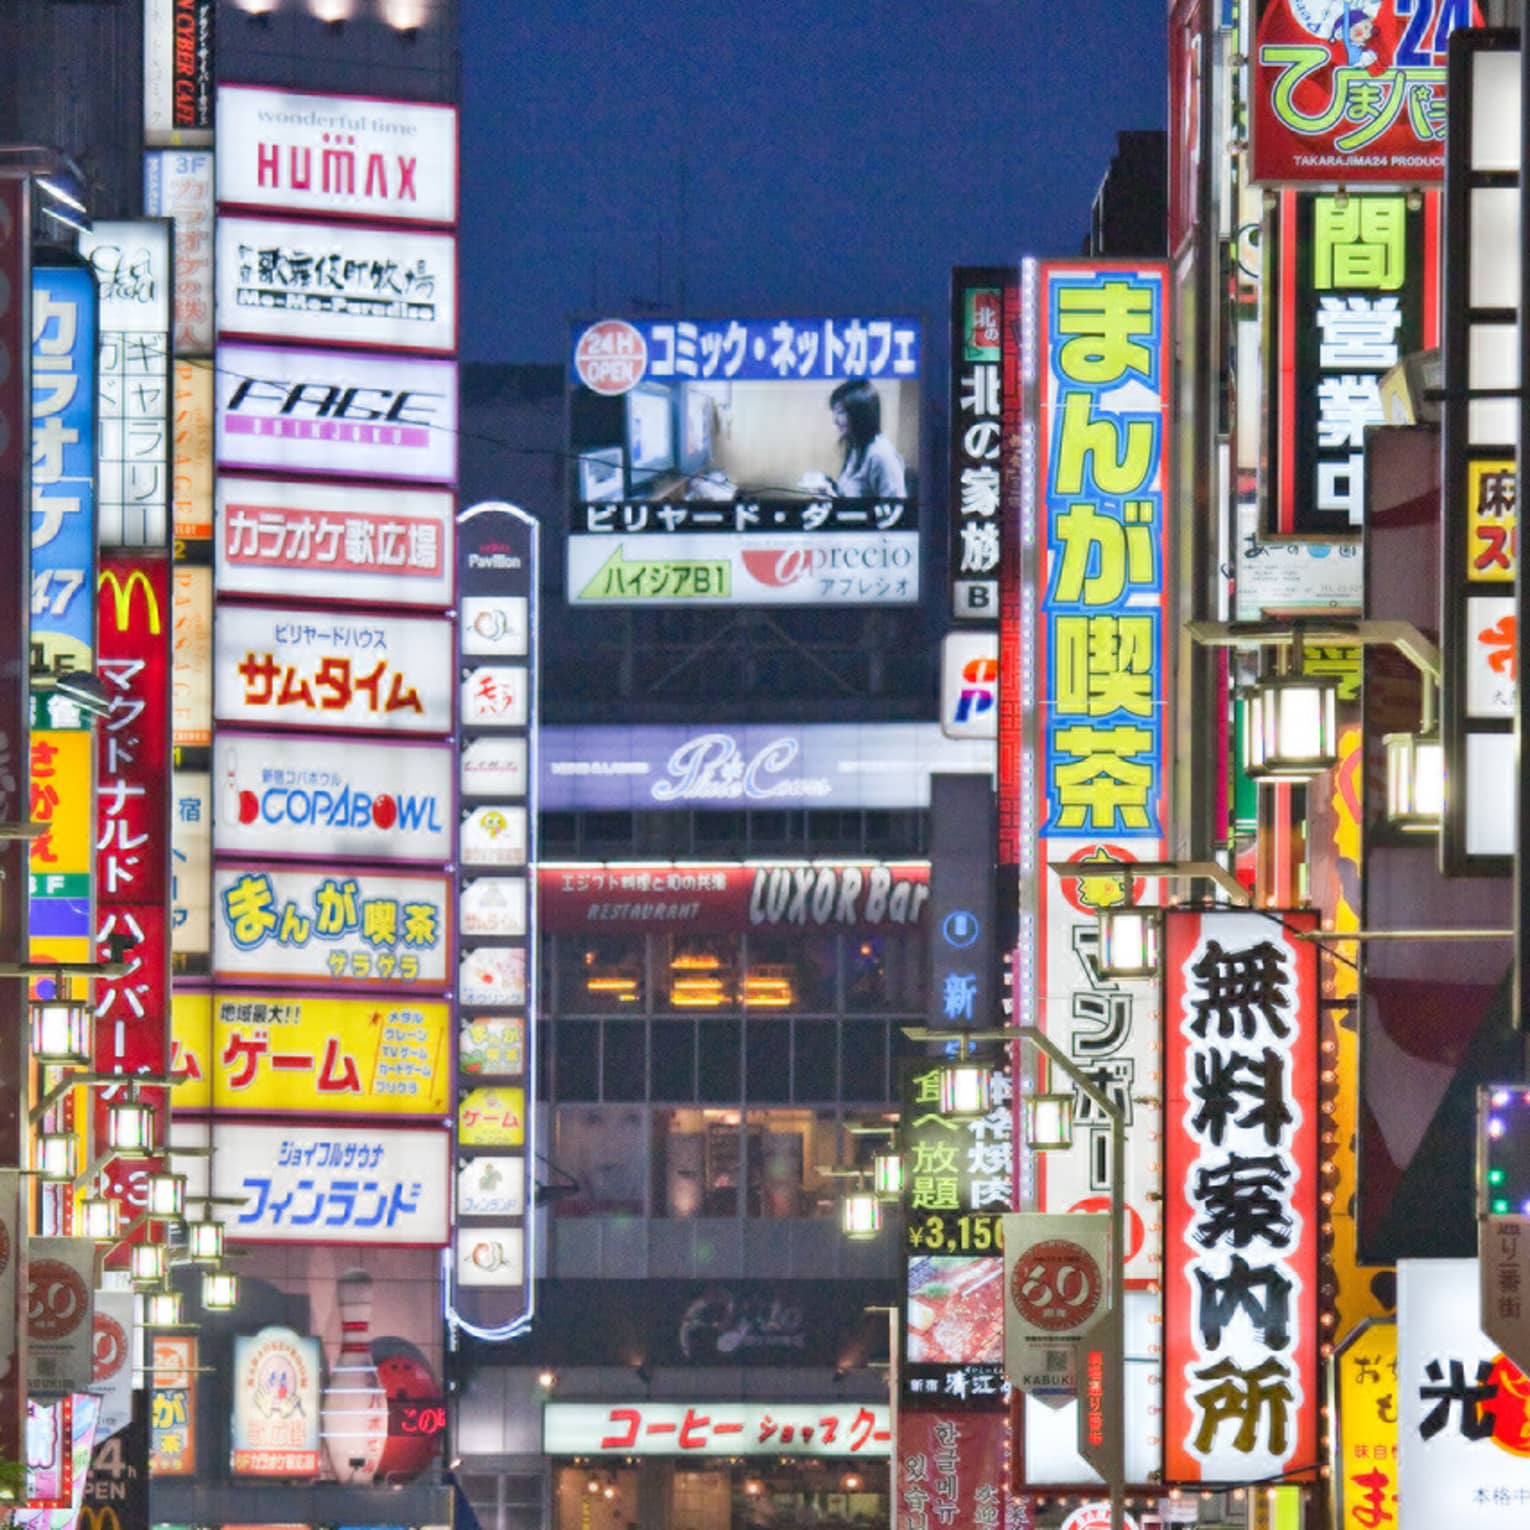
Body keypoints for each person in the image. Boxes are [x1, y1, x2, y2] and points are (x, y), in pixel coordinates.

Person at [828, 378, 907, 498]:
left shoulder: (881, 456)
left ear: (860, 414)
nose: (835, 420)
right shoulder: (857, 446)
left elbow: (895, 511)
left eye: (841, 412)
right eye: (835, 412)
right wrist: (829, 488)